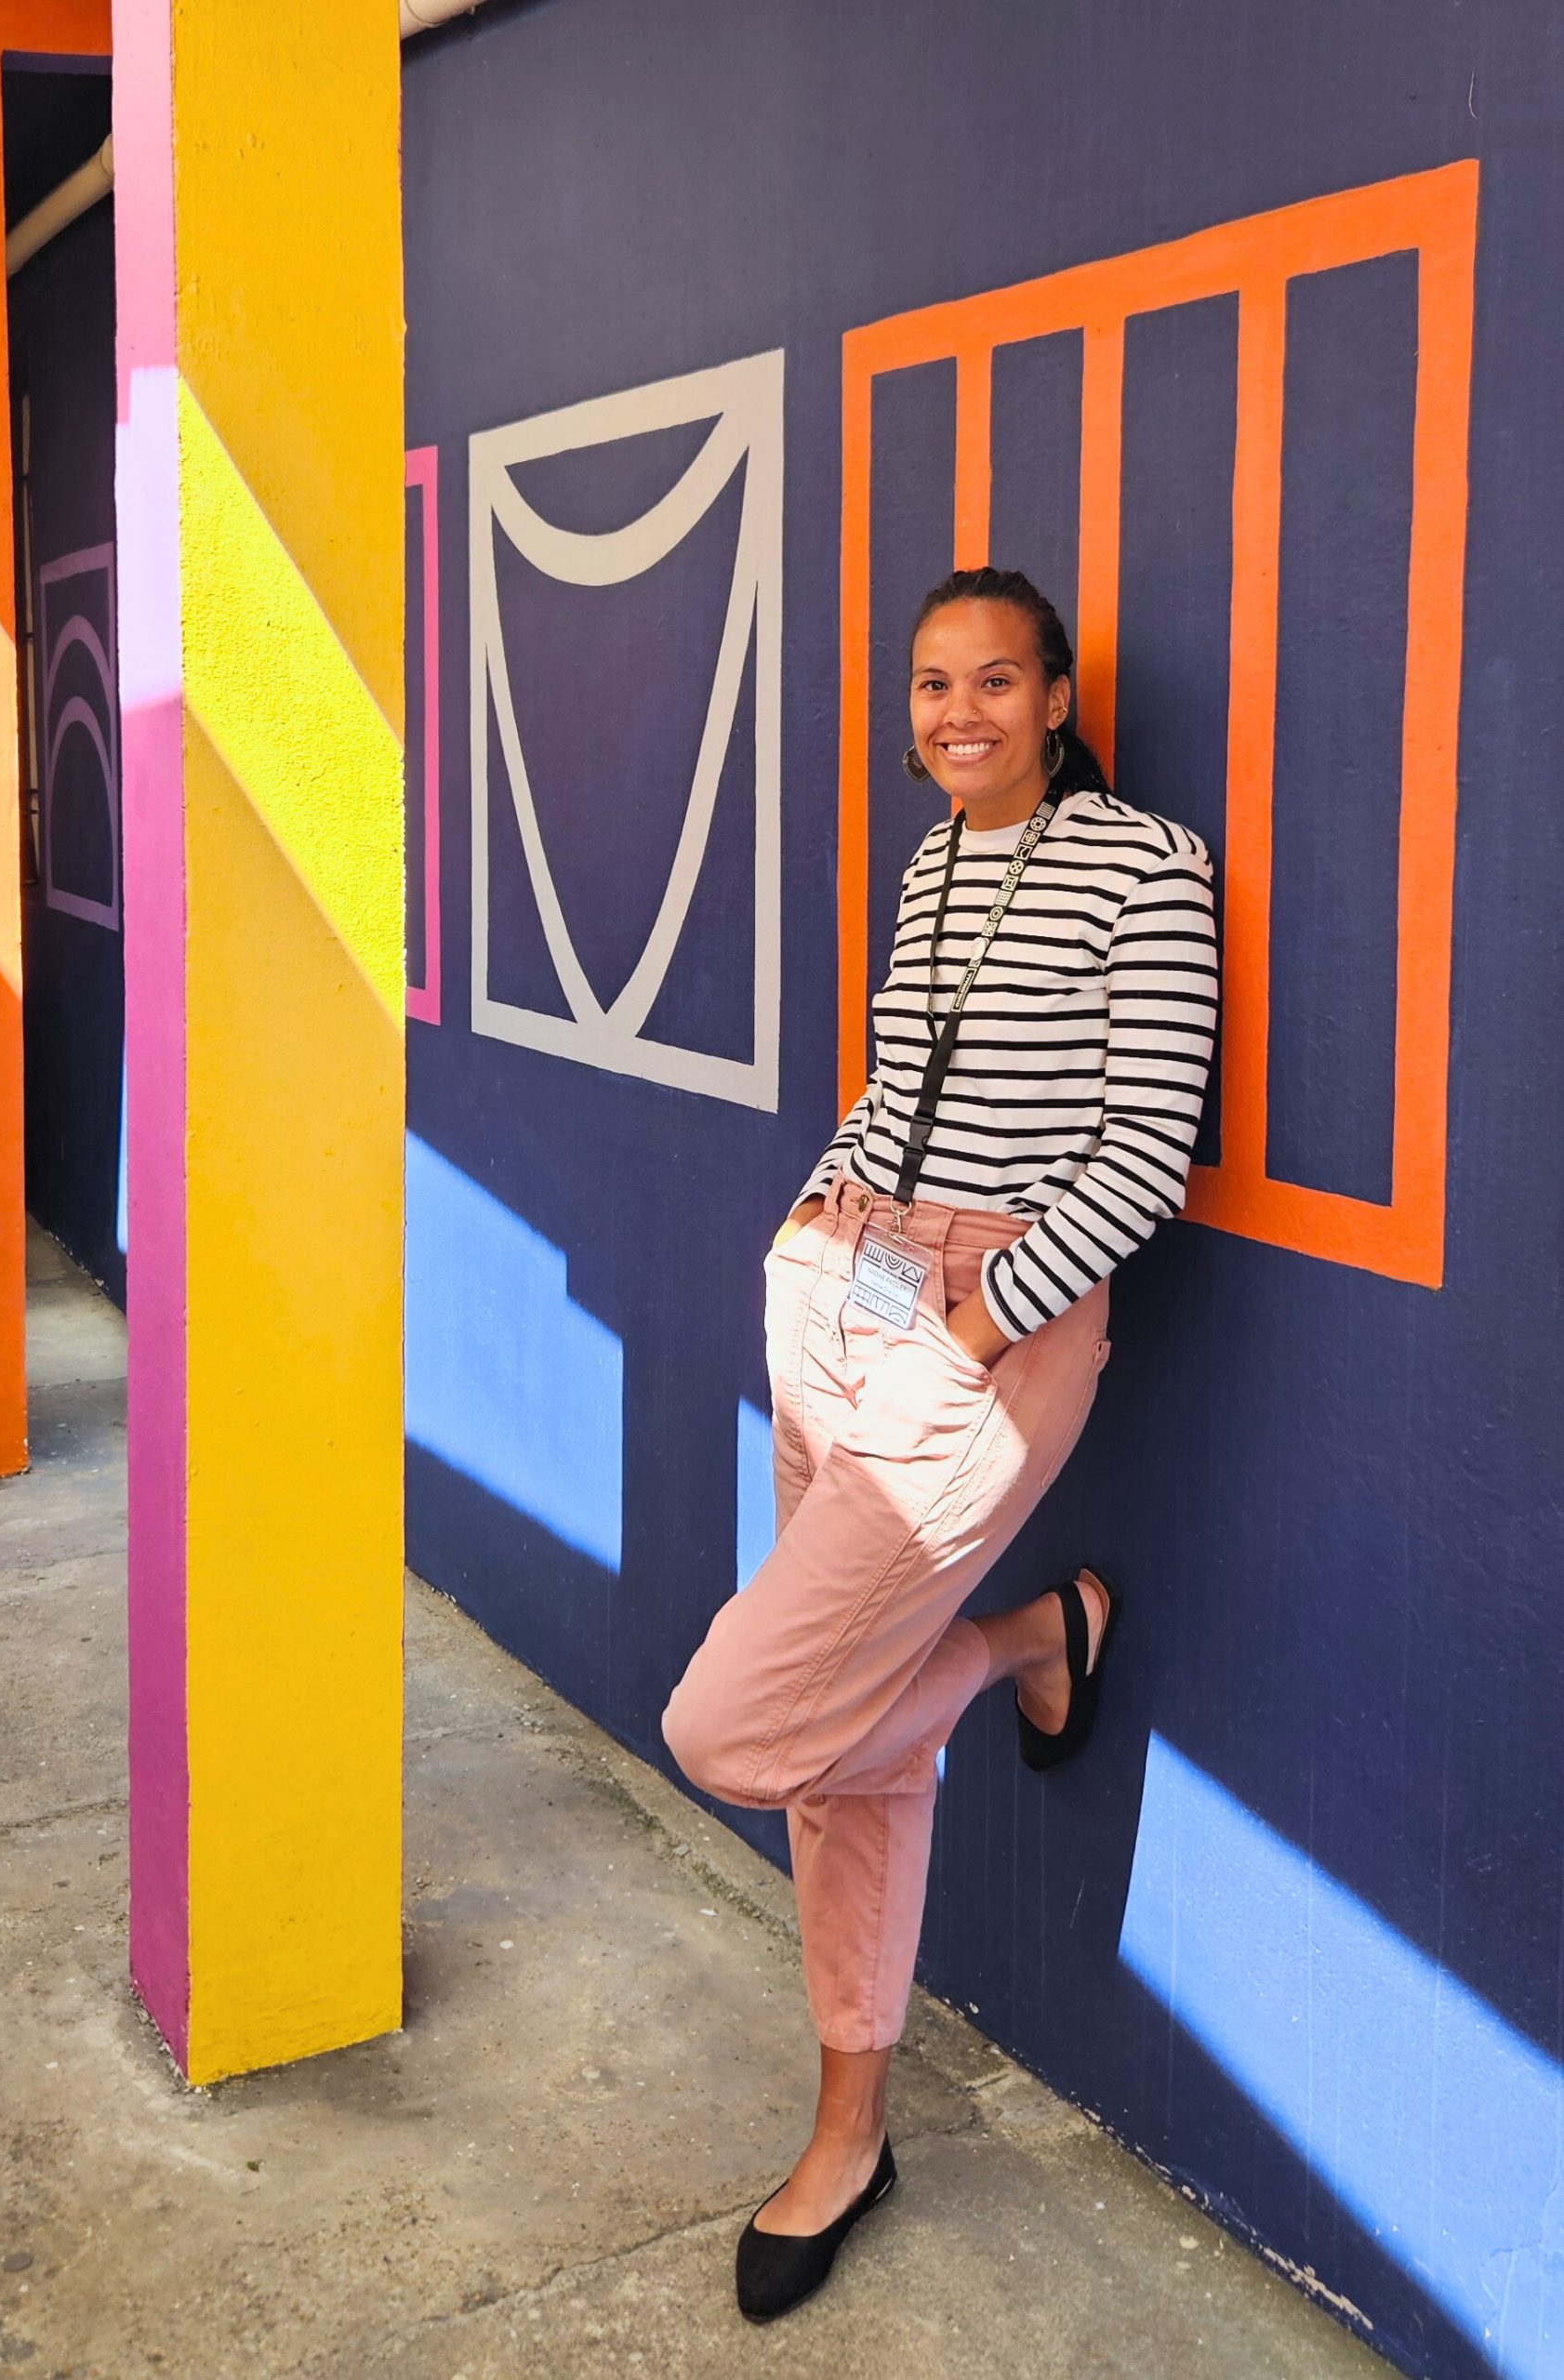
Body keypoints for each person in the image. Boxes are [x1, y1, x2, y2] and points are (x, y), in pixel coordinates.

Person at [662, 565, 1218, 2322]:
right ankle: (850, 2136)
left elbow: (1149, 1151)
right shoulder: (931, 865)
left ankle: (1022, 1642)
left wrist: (984, 1326)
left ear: (1055, 697)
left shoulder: (1148, 866)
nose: (957, 711)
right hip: (849, 1282)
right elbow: (898, 1088)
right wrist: (818, 1210)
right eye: (929, 683)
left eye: (993, 679)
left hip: (994, 1322)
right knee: (851, 1758)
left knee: (737, 1726)